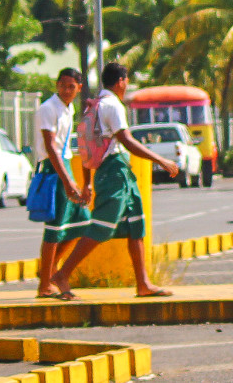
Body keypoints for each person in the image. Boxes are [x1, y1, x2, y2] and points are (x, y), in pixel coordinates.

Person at [47, 63, 183, 300]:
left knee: (135, 224)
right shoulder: (113, 106)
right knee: (102, 225)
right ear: (121, 81)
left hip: (114, 171)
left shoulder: (95, 106)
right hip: (114, 170)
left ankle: (143, 283)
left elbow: (88, 147)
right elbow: (127, 140)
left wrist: (88, 181)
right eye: (126, 80)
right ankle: (62, 274)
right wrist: (161, 160)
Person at [35, 69, 92, 299]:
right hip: (53, 168)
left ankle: (50, 270)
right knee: (54, 228)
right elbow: (50, 147)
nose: (66, 90)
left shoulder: (68, 108)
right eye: (63, 85)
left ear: (79, 88)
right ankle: (45, 284)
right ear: (57, 85)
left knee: (82, 222)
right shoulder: (48, 109)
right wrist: (67, 181)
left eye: (72, 86)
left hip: (65, 165)